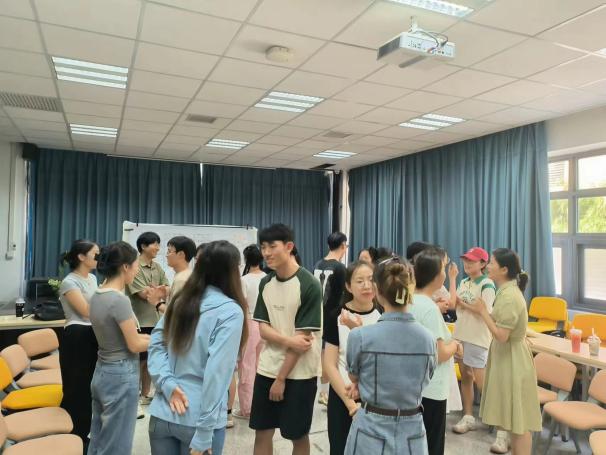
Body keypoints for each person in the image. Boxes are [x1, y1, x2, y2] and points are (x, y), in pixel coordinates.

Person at [147, 240, 247, 455]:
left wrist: (167, 384)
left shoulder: (181, 300)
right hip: (199, 420)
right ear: (231, 271)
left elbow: (156, 344)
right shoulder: (230, 311)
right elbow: (217, 373)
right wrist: (204, 432)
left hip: (163, 411)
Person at [344, 256, 436, 455]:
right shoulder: (428, 339)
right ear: (411, 288)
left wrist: (362, 384)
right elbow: (426, 378)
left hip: (370, 430)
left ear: (377, 291)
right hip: (412, 433)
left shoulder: (359, 336)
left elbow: (353, 376)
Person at [250, 224, 322, 455]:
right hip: (267, 368)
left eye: (272, 246)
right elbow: (263, 329)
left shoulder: (309, 284)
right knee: (262, 431)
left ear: (289, 246)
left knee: (297, 435)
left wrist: (281, 379)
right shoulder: (266, 283)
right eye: (263, 247)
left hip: (299, 374)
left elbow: (304, 341)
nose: (266, 253)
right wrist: (290, 341)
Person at [461, 249, 541, 455]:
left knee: (519, 421)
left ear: (504, 269)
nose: (488, 266)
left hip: (512, 359)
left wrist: (482, 312)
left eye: (492, 263)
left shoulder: (509, 296)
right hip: (506, 356)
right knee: (513, 420)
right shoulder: (505, 292)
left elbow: (501, 335)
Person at [88, 241, 151, 455]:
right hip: (120, 375)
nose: (137, 271)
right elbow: (134, 345)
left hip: (102, 372)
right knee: (117, 444)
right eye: (135, 266)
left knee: (99, 439)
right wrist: (163, 340)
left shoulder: (97, 294)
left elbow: (120, 336)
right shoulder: (119, 300)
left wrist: (145, 337)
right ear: (125, 266)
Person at [323, 260, 381, 455]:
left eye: (371, 279)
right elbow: (330, 364)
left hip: (375, 399)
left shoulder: (383, 315)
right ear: (348, 286)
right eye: (360, 281)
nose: (367, 285)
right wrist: (350, 405)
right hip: (343, 396)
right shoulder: (337, 316)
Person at [409, 247, 462, 455]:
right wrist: (455, 345)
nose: (445, 274)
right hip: (431, 388)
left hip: (415, 386)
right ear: (435, 276)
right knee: (432, 444)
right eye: (442, 269)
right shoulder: (430, 309)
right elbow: (439, 354)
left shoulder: (411, 301)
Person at [449, 247, 496, 438]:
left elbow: (486, 311)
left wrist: (463, 304)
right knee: (466, 376)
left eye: (472, 261)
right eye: (466, 260)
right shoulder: (464, 282)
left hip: (478, 337)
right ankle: (468, 416)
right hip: (461, 334)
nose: (467, 264)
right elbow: (453, 304)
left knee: (482, 383)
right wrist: (452, 279)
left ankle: (500, 422)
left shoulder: (487, 284)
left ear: (483, 264)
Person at [58, 240, 99, 447]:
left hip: (91, 335)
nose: (99, 258)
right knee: (77, 388)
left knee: (88, 388)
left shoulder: (92, 278)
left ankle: (81, 434)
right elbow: (85, 312)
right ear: (82, 257)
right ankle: (75, 436)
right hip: (76, 337)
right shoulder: (70, 282)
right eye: (95, 254)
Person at [126, 232, 169, 411]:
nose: (158, 248)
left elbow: (167, 289)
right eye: (155, 244)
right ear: (143, 246)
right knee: (139, 361)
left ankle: (145, 393)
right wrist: (158, 291)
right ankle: (133, 394)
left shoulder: (157, 267)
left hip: (156, 320)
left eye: (159, 244)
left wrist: (158, 290)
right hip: (139, 321)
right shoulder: (134, 266)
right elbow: (143, 294)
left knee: (151, 359)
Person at [314, 231, 348, 406]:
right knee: (329, 355)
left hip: (317, 313)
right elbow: (344, 295)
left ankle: (323, 390)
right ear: (343, 245)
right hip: (332, 315)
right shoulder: (340, 268)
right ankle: (325, 392)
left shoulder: (318, 264)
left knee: (321, 352)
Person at [234, 245, 267, 419]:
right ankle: (262, 405)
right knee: (262, 366)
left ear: (246, 259)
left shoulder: (244, 280)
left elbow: (243, 305)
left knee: (246, 367)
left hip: (249, 323)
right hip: (266, 325)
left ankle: (247, 409)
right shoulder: (268, 278)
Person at [149, 236, 196, 315]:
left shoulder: (182, 279)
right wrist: (167, 295)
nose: (166, 255)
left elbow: (177, 313)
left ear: (181, 254)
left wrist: (156, 302)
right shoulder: (187, 274)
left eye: (169, 251)